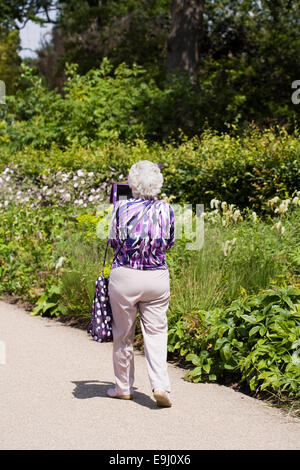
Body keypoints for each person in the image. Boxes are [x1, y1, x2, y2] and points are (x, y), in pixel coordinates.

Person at [106, 160, 175, 407]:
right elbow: (169, 243)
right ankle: (160, 386)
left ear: (132, 183)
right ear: (157, 183)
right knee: (156, 333)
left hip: (125, 276)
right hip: (156, 277)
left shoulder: (119, 209)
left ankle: (123, 387)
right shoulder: (166, 209)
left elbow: (113, 243)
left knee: (123, 334)